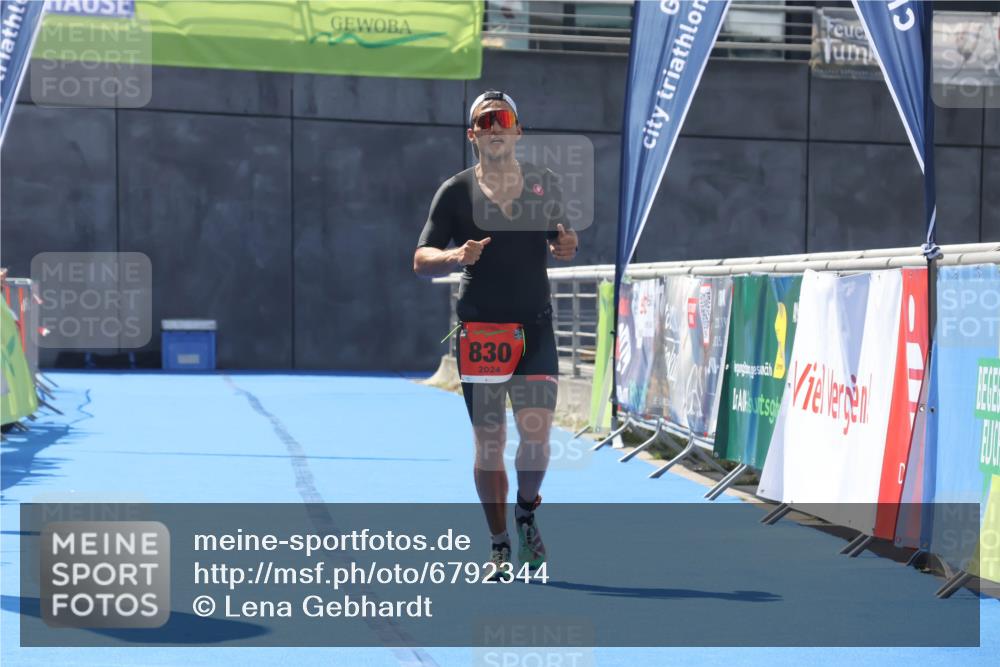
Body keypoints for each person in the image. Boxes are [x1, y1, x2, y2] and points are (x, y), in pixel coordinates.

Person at [413, 90, 579, 573]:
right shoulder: (455, 192)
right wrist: (454, 256)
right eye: (484, 122)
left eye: (503, 119)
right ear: (473, 136)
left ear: (518, 131)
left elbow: (563, 238)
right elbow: (419, 259)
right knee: (489, 442)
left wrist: (567, 244)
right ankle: (500, 542)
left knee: (536, 436)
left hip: (534, 329)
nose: (494, 128)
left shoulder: (543, 184)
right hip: (481, 333)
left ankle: (526, 512)